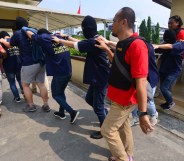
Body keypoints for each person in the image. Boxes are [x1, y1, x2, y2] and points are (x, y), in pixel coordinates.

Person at [95, 7, 153, 161]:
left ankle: (122, 159)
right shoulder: (122, 43)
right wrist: (107, 49)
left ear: (123, 22)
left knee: (107, 130)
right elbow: (119, 64)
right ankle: (128, 155)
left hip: (125, 99)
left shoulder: (137, 45)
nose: (111, 24)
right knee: (123, 126)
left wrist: (143, 113)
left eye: (113, 21)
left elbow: (140, 81)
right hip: (118, 95)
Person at [52, 15, 110, 139]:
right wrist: (66, 37)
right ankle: (105, 114)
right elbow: (80, 43)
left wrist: (60, 41)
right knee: (89, 99)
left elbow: (76, 46)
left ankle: (105, 130)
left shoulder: (93, 41)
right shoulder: (95, 39)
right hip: (97, 78)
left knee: (98, 107)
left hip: (100, 79)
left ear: (86, 29)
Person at [25, 28, 79, 124]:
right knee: (61, 93)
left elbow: (30, 34)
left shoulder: (44, 38)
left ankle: (72, 112)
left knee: (56, 95)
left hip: (60, 73)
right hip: (68, 72)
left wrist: (24, 29)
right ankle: (61, 113)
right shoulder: (58, 37)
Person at [0, 17, 50, 112]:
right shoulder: (34, 31)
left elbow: (10, 45)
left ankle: (31, 106)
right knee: (41, 84)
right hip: (41, 62)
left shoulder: (18, 33)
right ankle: (46, 105)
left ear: (17, 26)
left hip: (28, 63)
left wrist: (2, 41)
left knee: (25, 85)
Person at [153, 29, 184, 110]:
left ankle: (170, 102)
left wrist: (159, 46)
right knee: (164, 88)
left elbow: (171, 46)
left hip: (174, 71)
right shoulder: (165, 44)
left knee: (164, 88)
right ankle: (167, 101)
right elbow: (156, 49)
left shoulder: (180, 44)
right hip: (164, 69)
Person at [0, 31, 23, 102]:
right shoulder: (14, 40)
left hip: (8, 66)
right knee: (20, 80)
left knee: (12, 82)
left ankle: (17, 98)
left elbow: (2, 54)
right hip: (18, 64)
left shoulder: (2, 43)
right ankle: (25, 92)